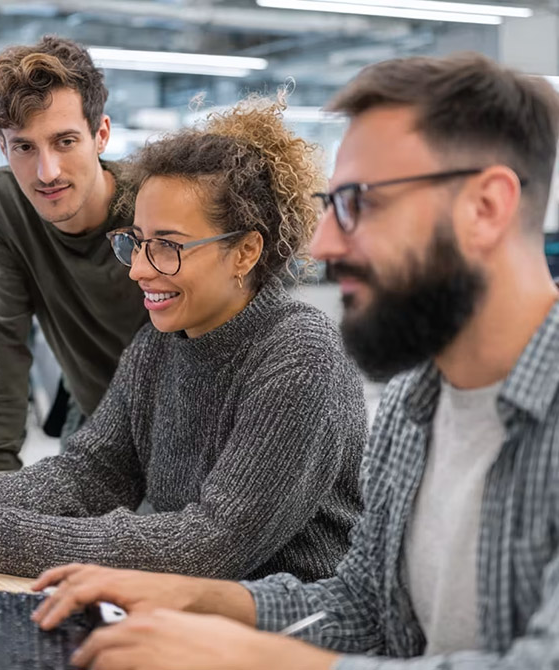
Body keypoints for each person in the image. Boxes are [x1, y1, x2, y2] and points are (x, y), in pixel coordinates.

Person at [28, 53, 559, 670]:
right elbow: (364, 607)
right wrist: (197, 598)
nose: (327, 243)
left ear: (486, 207)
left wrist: (250, 656)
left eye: (361, 202)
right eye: (332, 204)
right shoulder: (415, 406)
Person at [0, 95, 367, 583]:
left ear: (244, 252)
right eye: (135, 241)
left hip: (290, 628)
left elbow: (208, 546)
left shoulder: (300, 357)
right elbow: (94, 470)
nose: (138, 268)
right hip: (199, 612)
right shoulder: (161, 342)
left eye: (167, 246)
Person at [0, 36, 149, 471]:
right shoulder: (1, 202)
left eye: (65, 141)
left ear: (100, 134)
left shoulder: (151, 203)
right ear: (2, 146)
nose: (46, 173)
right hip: (92, 414)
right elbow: (1, 339)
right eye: (24, 147)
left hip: (183, 428)